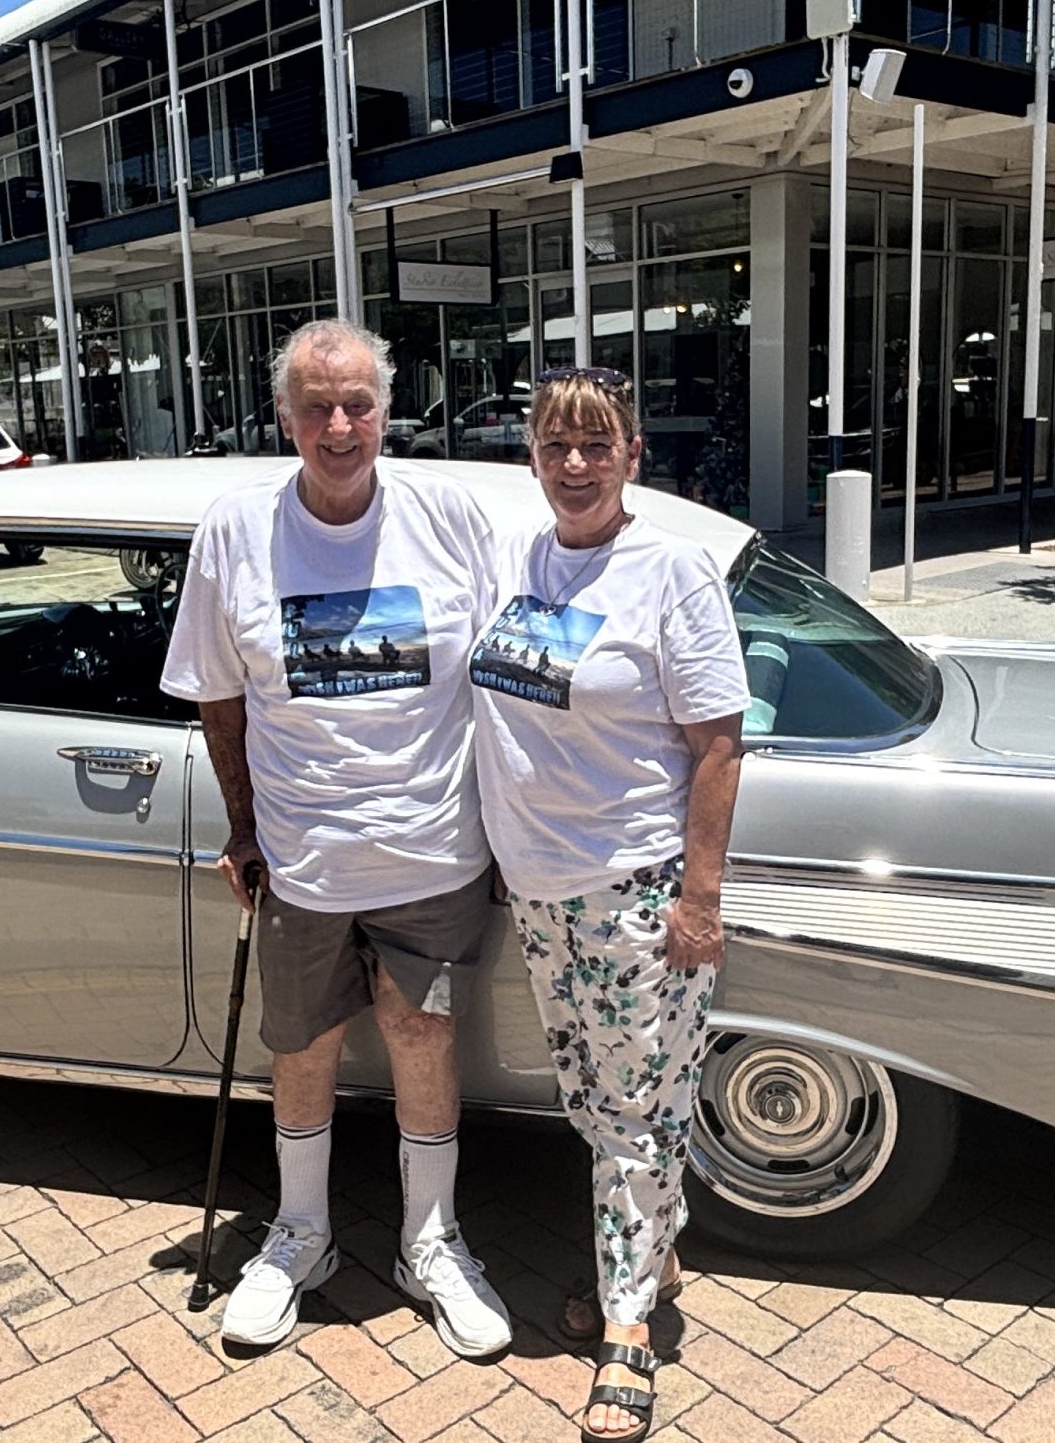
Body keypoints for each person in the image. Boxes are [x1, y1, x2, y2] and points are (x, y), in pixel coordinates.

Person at [159, 319, 511, 1357]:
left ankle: (429, 1239)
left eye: (356, 401)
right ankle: (302, 1233)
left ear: (386, 409)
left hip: (435, 853)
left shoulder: (450, 513)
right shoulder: (235, 528)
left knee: (423, 1037)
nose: (339, 423)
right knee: (301, 1046)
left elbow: (515, 671)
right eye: (316, 405)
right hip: (305, 860)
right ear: (285, 417)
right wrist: (241, 826)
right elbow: (219, 702)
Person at [469, 368, 749, 1441]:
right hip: (540, 892)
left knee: (638, 1111)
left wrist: (699, 897)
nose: (574, 463)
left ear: (633, 453)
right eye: (553, 444)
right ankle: (653, 1255)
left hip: (633, 889)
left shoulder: (669, 569)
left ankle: (627, 1330)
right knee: (590, 1100)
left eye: (596, 443)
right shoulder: (518, 556)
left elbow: (717, 743)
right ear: (532, 457)